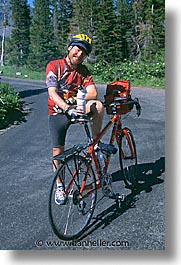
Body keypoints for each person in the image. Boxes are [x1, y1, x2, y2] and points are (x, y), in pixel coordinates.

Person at [46, 34, 104, 205]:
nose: (79, 54)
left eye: (83, 53)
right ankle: (59, 186)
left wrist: (74, 101)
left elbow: (93, 92)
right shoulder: (54, 66)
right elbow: (52, 92)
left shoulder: (83, 71)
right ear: (69, 48)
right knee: (58, 152)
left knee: (97, 106)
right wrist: (66, 108)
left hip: (75, 107)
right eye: (77, 49)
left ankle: (96, 143)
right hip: (58, 111)